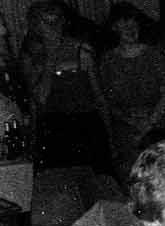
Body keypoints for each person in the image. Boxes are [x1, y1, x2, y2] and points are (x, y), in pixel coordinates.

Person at [22, 0, 110, 174]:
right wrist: (51, 56)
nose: (53, 27)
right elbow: (38, 101)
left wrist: (110, 138)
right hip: (53, 130)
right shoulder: (30, 56)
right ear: (35, 25)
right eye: (46, 22)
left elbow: (99, 97)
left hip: (86, 126)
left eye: (57, 21)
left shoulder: (82, 51)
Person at [100, 3, 165, 179]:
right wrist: (132, 122)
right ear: (114, 28)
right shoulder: (108, 61)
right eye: (124, 24)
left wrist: (148, 125)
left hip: (159, 123)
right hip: (128, 128)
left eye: (134, 23)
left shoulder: (155, 55)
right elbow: (107, 101)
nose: (131, 28)